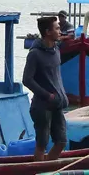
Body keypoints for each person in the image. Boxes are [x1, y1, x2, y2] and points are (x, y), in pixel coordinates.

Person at [22, 16, 68, 161]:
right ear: (48, 32)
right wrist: (47, 96)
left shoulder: (56, 50)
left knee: (61, 141)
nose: (60, 31)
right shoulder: (34, 54)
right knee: (42, 143)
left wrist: (62, 97)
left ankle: (47, 169)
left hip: (57, 104)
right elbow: (27, 80)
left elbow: (56, 77)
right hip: (42, 107)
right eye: (57, 28)